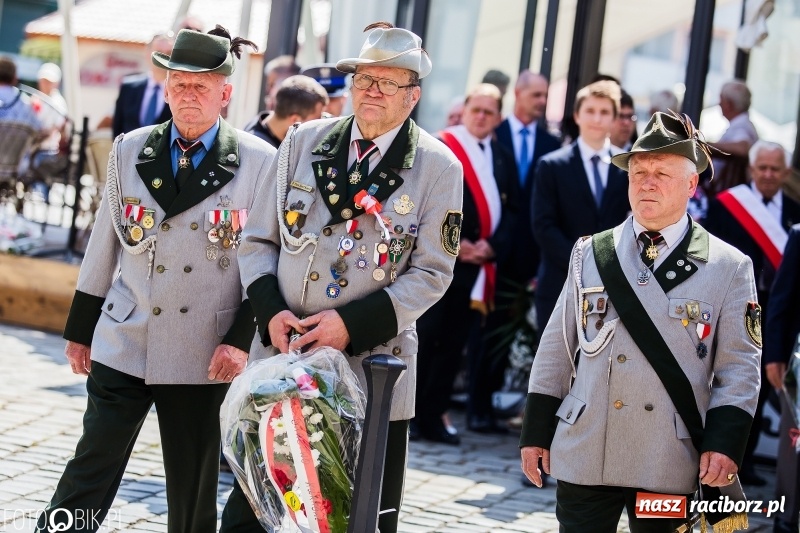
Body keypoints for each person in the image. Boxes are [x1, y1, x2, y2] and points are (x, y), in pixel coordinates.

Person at [221, 22, 463, 533]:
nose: (371, 90)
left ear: (412, 95)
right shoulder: (303, 142)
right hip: (283, 361)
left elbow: (433, 273)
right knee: (252, 514)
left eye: (387, 82)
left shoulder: (438, 166)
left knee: (359, 517)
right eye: (363, 78)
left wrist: (350, 324)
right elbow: (258, 240)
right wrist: (271, 313)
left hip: (371, 371)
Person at [35, 26, 268, 533]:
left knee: (192, 484)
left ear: (225, 93)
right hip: (127, 332)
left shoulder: (259, 162)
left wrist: (239, 340)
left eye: (200, 87)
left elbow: (263, 264)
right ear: (165, 88)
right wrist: (81, 328)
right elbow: (104, 243)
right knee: (90, 463)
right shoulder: (130, 148)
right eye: (179, 84)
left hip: (203, 348)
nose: (188, 95)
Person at [521, 111, 762, 532]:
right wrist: (536, 431)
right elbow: (557, 349)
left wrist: (724, 444)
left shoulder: (728, 266)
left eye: (662, 173)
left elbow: (739, 367)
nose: (647, 182)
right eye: (639, 172)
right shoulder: (591, 253)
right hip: (588, 444)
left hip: (667, 456)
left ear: (691, 184)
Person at [413, 83, 517, 444]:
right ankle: (410, 416)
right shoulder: (443, 145)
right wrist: (457, 245)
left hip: (478, 268)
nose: (482, 117)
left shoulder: (502, 155)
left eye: (490, 112)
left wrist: (493, 247)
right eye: (477, 109)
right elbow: (425, 202)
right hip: (441, 261)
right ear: (466, 108)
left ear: (499, 118)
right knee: (425, 339)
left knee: (454, 345)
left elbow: (514, 209)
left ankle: (433, 416)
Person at [705, 140, 800, 486]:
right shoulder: (727, 206)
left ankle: (744, 461)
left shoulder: (795, 210)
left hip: (775, 312)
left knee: (757, 383)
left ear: (786, 173)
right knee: (726, 380)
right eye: (763, 168)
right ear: (751, 169)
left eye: (776, 169)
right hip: (735, 306)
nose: (769, 174)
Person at [532, 79, 629, 333]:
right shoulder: (551, 166)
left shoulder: (627, 169)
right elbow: (543, 226)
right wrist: (582, 263)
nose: (597, 118)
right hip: (559, 285)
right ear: (577, 115)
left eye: (605, 112)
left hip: (612, 290)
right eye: (590, 111)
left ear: (614, 119)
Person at [494, 70, 560, 305]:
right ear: (518, 93)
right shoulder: (493, 135)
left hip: (531, 251)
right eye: (536, 95)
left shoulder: (552, 145)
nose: (542, 101)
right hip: (492, 248)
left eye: (545, 96)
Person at [764, 223, 800, 533]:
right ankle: (786, 521)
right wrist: (774, 355)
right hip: (798, 364)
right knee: (794, 445)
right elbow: (780, 300)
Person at [112, 33, 174, 138]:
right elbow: (117, 128)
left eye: (168, 54)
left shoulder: (179, 92)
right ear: (147, 53)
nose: (163, 58)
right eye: (158, 53)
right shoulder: (128, 87)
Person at [243, 74, 328, 148]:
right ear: (295, 120)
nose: (320, 124)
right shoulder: (260, 152)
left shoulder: (261, 121)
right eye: (317, 119)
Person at [708, 80, 759, 194]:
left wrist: (706, 146)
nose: (719, 104)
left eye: (721, 99)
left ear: (728, 104)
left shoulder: (741, 127)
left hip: (725, 194)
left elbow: (743, 148)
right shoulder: (743, 124)